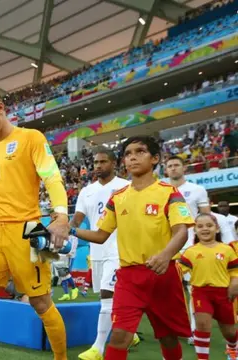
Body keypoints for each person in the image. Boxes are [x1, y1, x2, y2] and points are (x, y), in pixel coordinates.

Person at [0, 85, 70, 360]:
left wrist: (61, 215)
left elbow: (51, 176)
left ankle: (61, 358)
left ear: (1, 108)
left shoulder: (31, 138)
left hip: (29, 228)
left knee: (41, 301)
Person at [74, 136, 193, 360]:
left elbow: (181, 231)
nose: (132, 157)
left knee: (167, 336)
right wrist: (69, 231)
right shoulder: (117, 198)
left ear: (155, 158)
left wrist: (165, 255)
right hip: (128, 278)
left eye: (140, 152)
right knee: (119, 336)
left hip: (163, 275)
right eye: (128, 154)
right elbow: (100, 235)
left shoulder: (169, 193)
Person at [74, 148, 138, 360]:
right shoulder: (86, 191)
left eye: (103, 162)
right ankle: (130, 332)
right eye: (95, 163)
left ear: (113, 164)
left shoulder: (126, 186)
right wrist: (65, 229)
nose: (98, 166)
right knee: (112, 294)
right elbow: (78, 219)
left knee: (106, 294)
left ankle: (98, 348)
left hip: (119, 249)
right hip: (97, 249)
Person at [164, 155, 211, 344]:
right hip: (167, 248)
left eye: (176, 165)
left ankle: (193, 330)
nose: (173, 168)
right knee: (169, 290)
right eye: (170, 166)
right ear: (165, 170)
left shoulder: (197, 190)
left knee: (193, 289)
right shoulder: (162, 190)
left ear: (184, 168)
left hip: (190, 247)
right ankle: (174, 327)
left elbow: (206, 217)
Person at [179, 213, 238, 360]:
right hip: (201, 293)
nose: (205, 229)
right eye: (200, 226)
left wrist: (235, 283)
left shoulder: (227, 249)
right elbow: (178, 271)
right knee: (202, 324)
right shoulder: (190, 252)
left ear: (217, 229)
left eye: (209, 225)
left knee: (229, 332)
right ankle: (202, 358)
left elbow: (234, 270)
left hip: (224, 294)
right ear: (195, 230)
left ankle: (232, 347)